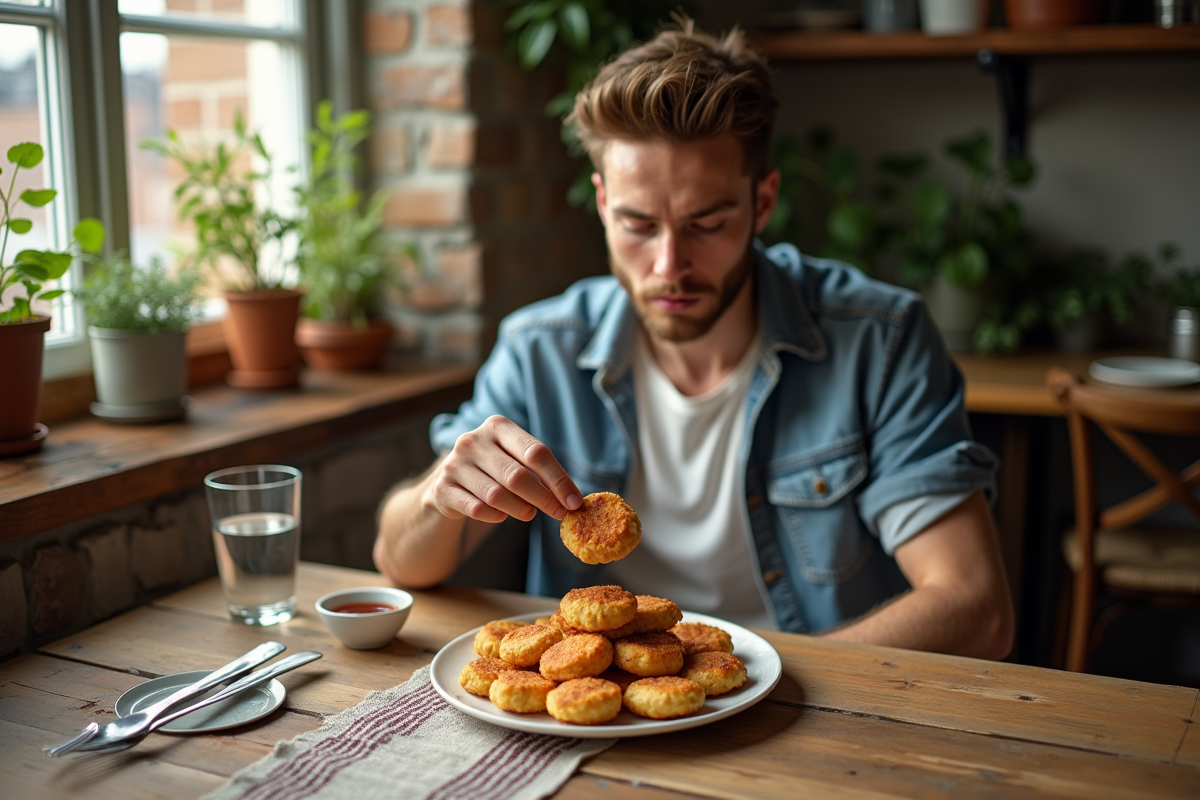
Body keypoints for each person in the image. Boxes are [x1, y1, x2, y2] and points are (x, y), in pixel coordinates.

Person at [374, 24, 1013, 659]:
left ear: (763, 203)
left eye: (706, 223)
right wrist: (440, 494)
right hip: (603, 721)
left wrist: (762, 682)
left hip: (813, 717)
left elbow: (975, 607)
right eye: (638, 225)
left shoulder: (880, 343)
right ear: (602, 203)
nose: (668, 265)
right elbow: (399, 563)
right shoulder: (538, 351)